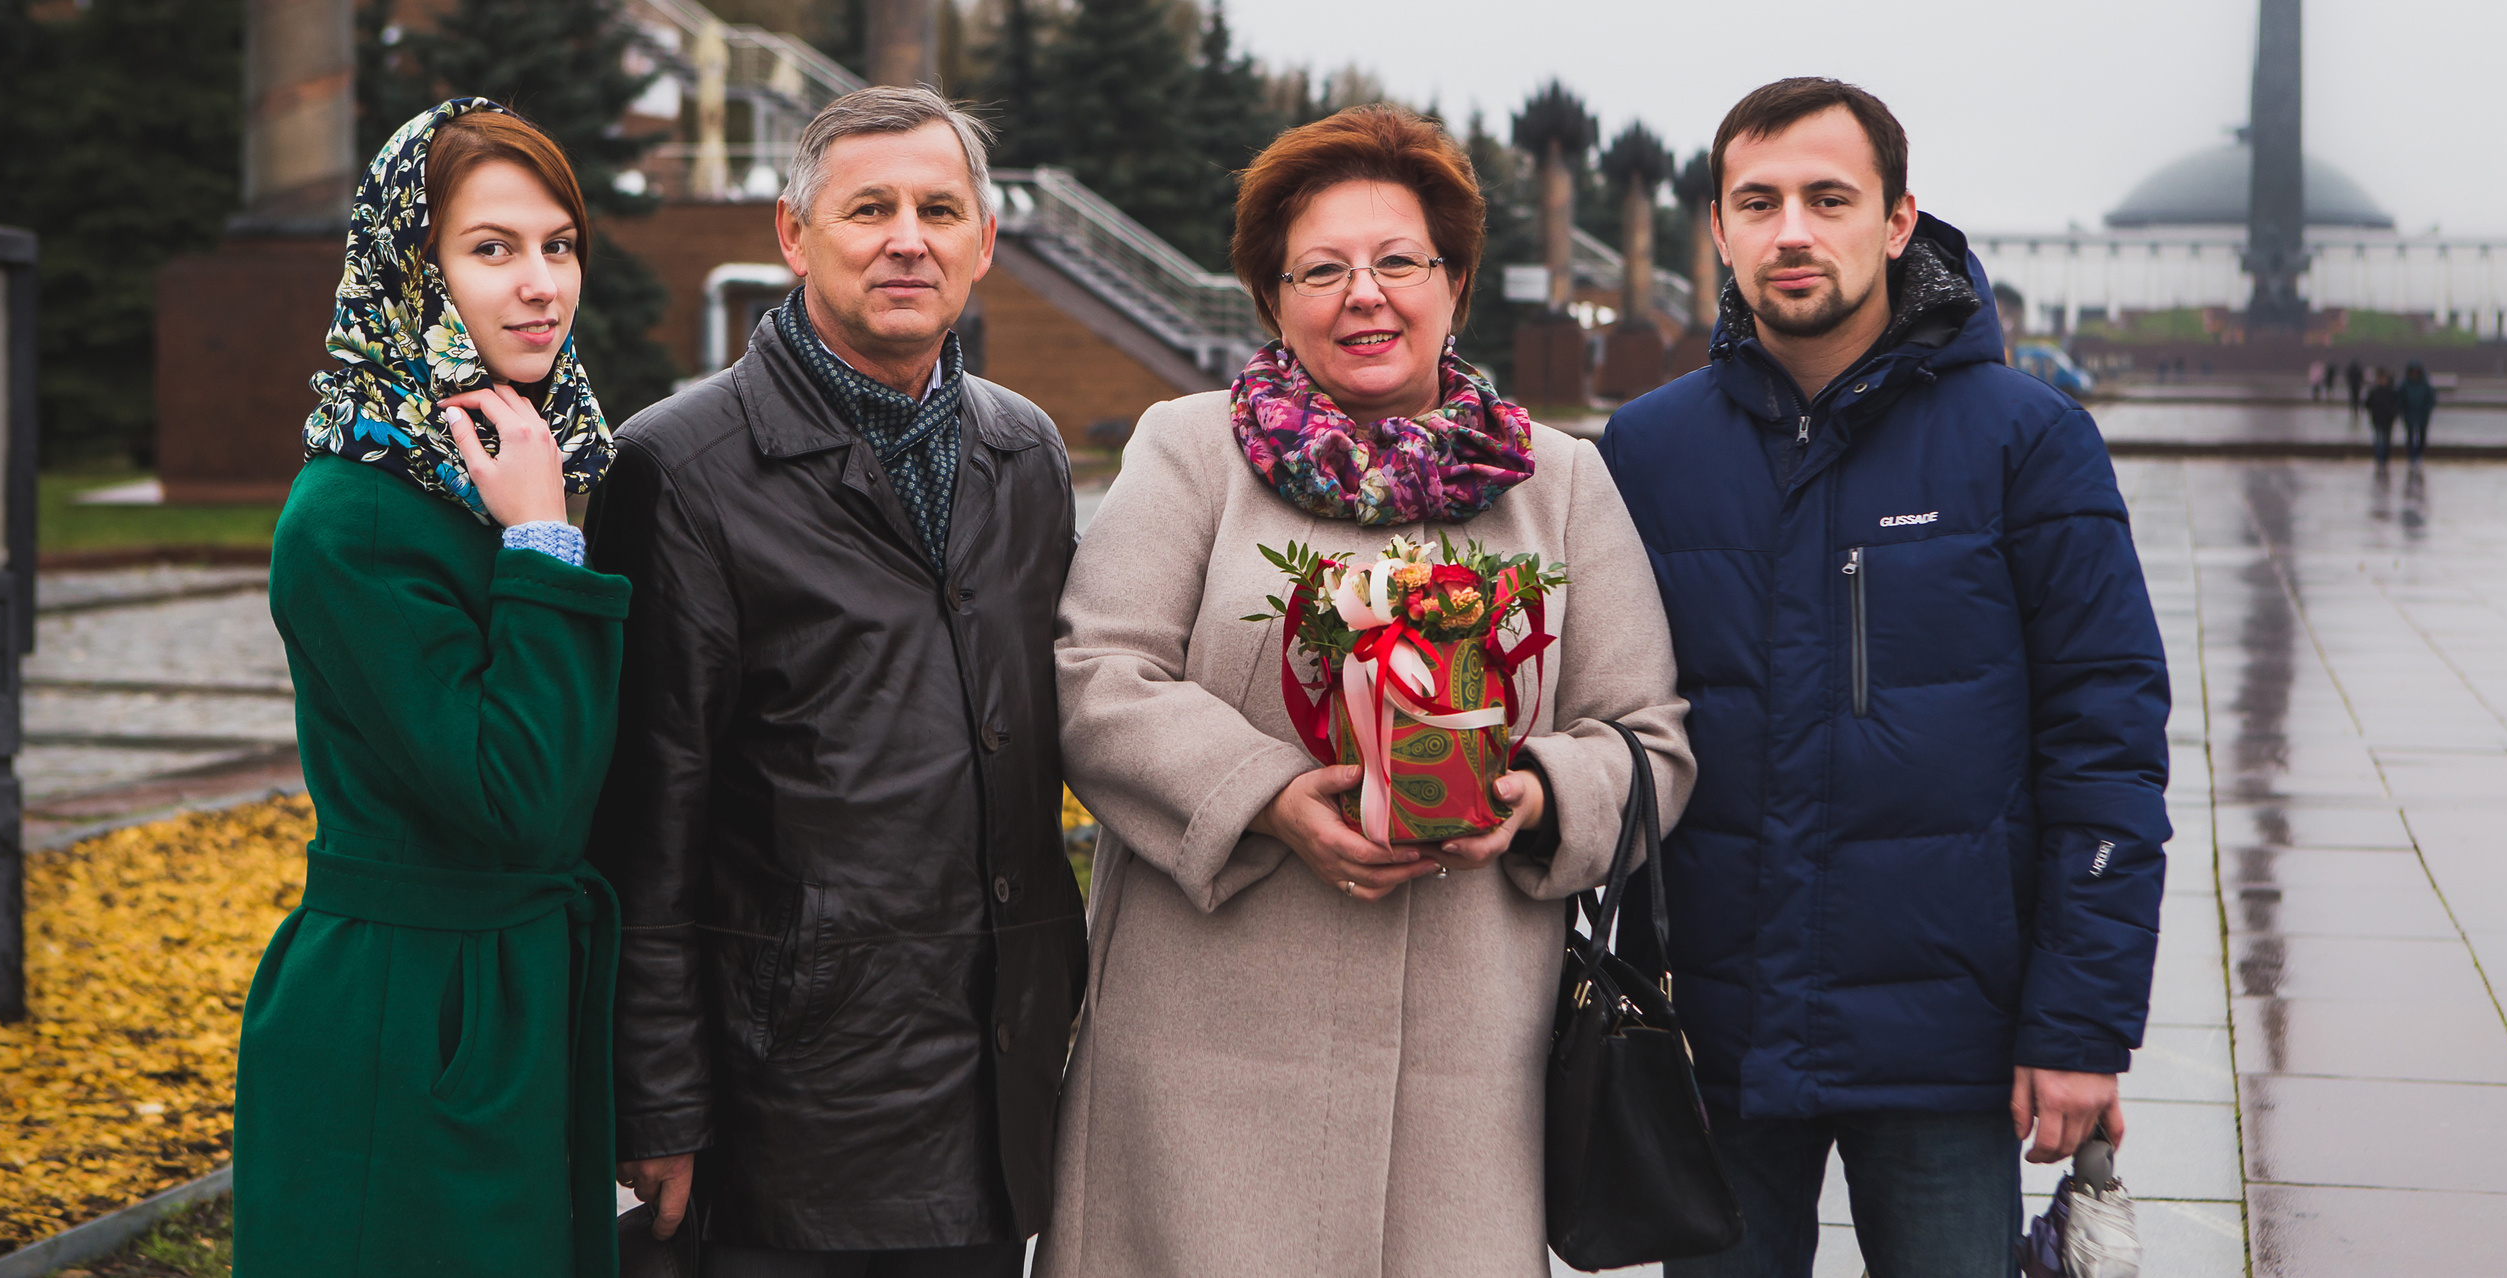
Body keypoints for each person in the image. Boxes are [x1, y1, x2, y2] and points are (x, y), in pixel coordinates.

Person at [1038, 105, 1695, 1277]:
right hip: (1202, 1060)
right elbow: (1097, 676)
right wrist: (1273, 797)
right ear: (1273, 296)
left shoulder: (1561, 482)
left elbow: (1648, 737)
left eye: (1398, 262)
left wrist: (1531, 795)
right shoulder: (1191, 452)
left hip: (1468, 1077)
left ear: (1454, 282)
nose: (1365, 295)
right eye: (1322, 269)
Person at [1599, 79, 2170, 1278]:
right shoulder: (1645, 453)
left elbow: (2105, 745)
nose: (1790, 231)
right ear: (1718, 227)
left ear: (1899, 220)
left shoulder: (2024, 439)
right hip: (1716, 1036)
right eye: (1757, 202)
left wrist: (2080, 1026)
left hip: (1947, 1048)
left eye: (1827, 197)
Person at [586, 86, 1085, 1278]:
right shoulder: (681, 468)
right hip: (789, 1102)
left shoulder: (1026, 451)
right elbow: (646, 811)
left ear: (983, 244)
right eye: (869, 209)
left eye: (938, 209)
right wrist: (656, 1106)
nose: (906, 238)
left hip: (995, 1080)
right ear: (793, 236)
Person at [235, 98, 631, 1277]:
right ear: (411, 272)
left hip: (507, 993)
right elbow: (519, 800)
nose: (540, 285)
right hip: (409, 1022)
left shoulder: (519, 463)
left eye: (558, 245)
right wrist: (541, 547)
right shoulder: (357, 517)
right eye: (491, 249)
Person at [2398, 359, 2438, 463]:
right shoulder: (2404, 384)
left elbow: (2431, 399)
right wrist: (2402, 410)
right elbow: (2400, 399)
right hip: (2409, 414)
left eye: (2416, 372)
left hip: (2422, 415)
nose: (2414, 374)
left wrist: (2427, 410)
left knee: (2422, 436)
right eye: (2413, 372)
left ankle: (2419, 454)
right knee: (2410, 436)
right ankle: (2411, 455)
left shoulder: (2425, 384)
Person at [2364, 367, 2402, 466]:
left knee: (2387, 441)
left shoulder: (2391, 391)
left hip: (2388, 420)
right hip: (2377, 420)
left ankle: (2385, 459)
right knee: (2380, 440)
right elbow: (2367, 404)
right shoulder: (2374, 391)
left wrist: (2394, 413)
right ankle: (2380, 461)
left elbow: (2397, 404)